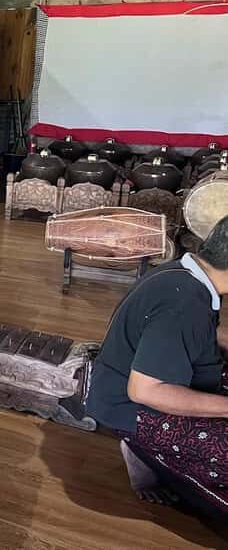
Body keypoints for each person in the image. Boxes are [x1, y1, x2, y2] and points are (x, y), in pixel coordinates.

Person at [86, 214, 228, 518]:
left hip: (135, 380)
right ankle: (142, 452)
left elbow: (198, 332)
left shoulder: (186, 273)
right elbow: (146, 391)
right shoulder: (184, 304)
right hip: (130, 406)